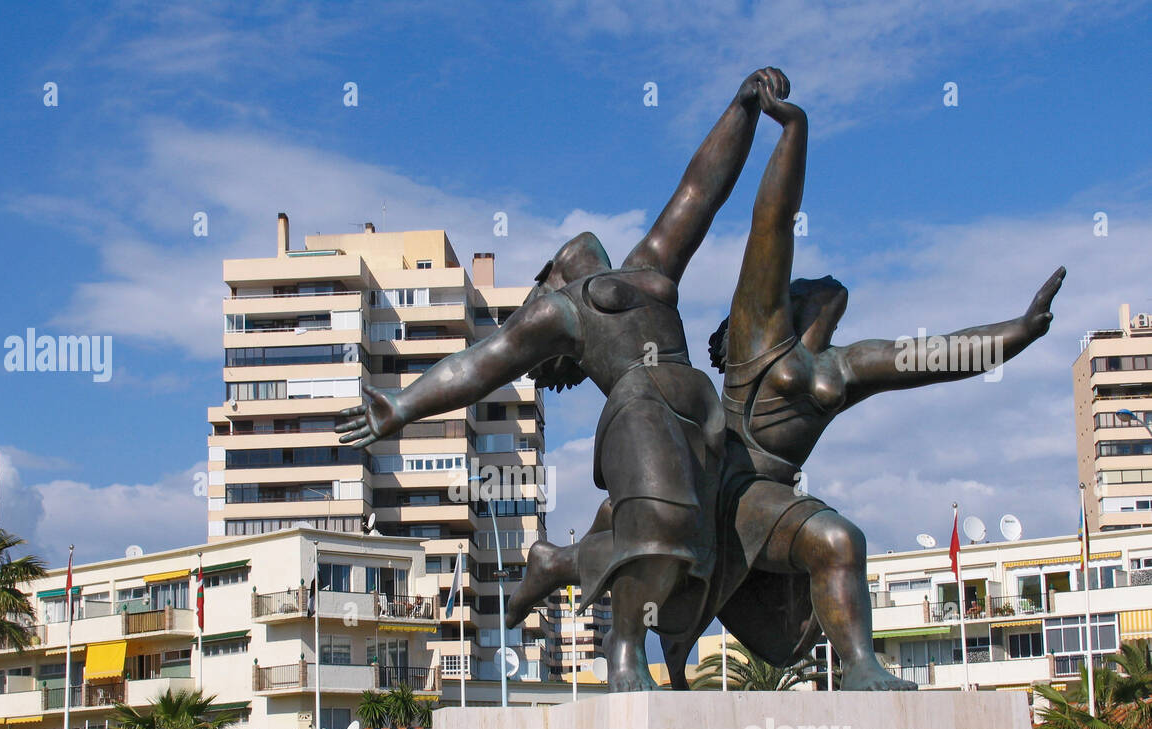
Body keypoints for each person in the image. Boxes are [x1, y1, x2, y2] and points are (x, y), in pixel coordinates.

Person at [340, 68, 791, 691]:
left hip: (701, 414)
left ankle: (554, 566)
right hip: (642, 410)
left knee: (704, 538)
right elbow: (480, 364)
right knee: (659, 528)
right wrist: (401, 405)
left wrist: (742, 105)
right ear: (552, 277)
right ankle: (624, 651)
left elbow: (701, 189)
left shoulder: (651, 264)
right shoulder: (561, 310)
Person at [695, 80, 1065, 690]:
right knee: (840, 538)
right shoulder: (758, 334)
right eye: (804, 281)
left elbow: (938, 355)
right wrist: (794, 130)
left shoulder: (847, 365)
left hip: (774, 493)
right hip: (734, 486)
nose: (825, 281)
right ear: (784, 300)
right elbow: (773, 221)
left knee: (837, 541)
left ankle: (861, 668)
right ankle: (863, 667)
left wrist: (1020, 332)